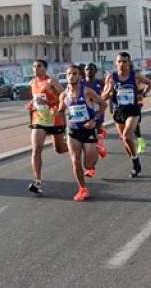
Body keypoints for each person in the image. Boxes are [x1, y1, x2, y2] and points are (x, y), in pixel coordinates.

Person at [102, 51, 151, 177]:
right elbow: (103, 97)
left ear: (129, 63)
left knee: (126, 136)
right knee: (124, 140)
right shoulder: (111, 77)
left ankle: (135, 161)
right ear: (116, 63)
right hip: (118, 111)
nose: (122, 64)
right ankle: (135, 161)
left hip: (133, 110)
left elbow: (149, 83)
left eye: (124, 62)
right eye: (119, 61)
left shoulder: (134, 75)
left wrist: (142, 94)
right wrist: (109, 89)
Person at [60, 64, 106, 201]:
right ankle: (82, 189)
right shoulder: (63, 95)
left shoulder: (87, 91)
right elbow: (61, 111)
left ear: (80, 76)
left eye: (74, 74)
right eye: (69, 74)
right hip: (73, 131)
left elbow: (103, 105)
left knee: (88, 165)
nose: (71, 76)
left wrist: (94, 121)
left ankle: (98, 147)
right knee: (75, 161)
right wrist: (63, 130)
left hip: (88, 130)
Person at [26, 59, 66, 194]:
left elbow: (65, 96)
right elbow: (36, 98)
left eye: (39, 66)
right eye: (34, 66)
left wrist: (50, 103)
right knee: (36, 149)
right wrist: (32, 104)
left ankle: (80, 146)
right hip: (39, 119)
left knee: (60, 149)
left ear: (45, 68)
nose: (36, 69)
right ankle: (37, 182)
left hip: (54, 119)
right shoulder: (32, 83)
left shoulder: (51, 82)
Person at [83, 63, 108, 162]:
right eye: (87, 69)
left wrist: (102, 98)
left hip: (98, 110)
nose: (89, 71)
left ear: (95, 71)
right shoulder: (81, 83)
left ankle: (99, 144)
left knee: (97, 129)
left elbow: (106, 94)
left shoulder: (100, 82)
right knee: (91, 135)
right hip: (86, 112)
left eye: (91, 69)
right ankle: (98, 146)